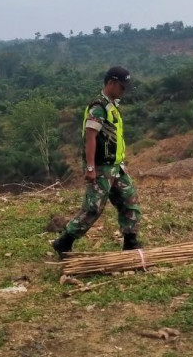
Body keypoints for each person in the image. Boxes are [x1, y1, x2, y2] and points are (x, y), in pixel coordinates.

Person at [52, 66, 142, 256]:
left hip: (116, 167)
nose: (124, 90)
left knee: (129, 201)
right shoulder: (98, 108)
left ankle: (131, 242)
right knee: (93, 208)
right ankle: (65, 241)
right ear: (111, 83)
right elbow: (90, 138)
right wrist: (91, 167)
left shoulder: (112, 106)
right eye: (121, 86)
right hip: (101, 167)